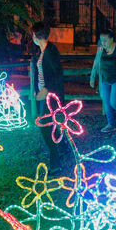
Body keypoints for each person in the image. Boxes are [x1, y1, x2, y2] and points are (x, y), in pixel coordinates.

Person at [31, 22, 66, 172]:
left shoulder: (50, 51)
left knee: (45, 126)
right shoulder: (40, 51)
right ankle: (62, 149)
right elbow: (39, 72)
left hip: (52, 96)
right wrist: (36, 90)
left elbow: (57, 74)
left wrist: (45, 90)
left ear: (35, 35)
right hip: (45, 95)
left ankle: (56, 162)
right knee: (50, 125)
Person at [90, 29, 116, 132]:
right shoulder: (101, 49)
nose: (103, 42)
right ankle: (111, 124)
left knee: (114, 102)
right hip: (104, 80)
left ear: (112, 39)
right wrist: (92, 77)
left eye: (105, 40)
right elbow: (96, 63)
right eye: (101, 40)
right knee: (106, 102)